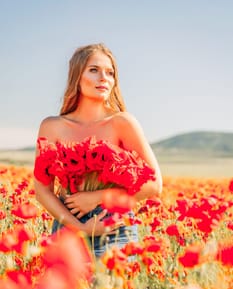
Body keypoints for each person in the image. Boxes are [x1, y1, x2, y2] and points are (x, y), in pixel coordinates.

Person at [33, 43, 163, 257]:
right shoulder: (51, 126)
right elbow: (42, 191)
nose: (104, 78)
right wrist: (79, 227)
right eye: (94, 70)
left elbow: (154, 185)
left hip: (114, 231)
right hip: (67, 228)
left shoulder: (122, 122)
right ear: (77, 76)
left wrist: (96, 197)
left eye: (110, 73)